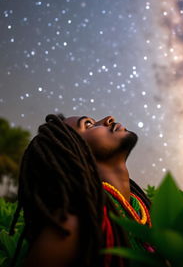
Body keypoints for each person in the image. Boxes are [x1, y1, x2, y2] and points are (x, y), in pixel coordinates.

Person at [9, 114, 153, 267]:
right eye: (89, 125)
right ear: (74, 150)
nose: (108, 119)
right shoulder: (73, 224)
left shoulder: (146, 209)